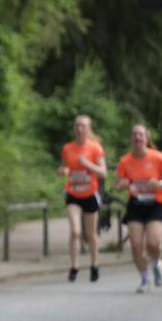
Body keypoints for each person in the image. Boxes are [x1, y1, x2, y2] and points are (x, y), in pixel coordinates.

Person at [115, 125, 162, 293]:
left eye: (141, 135)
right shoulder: (125, 161)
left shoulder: (158, 157)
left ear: (146, 139)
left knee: (153, 243)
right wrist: (122, 184)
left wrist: (160, 183)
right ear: (131, 139)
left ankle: (157, 263)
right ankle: (144, 278)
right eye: (134, 135)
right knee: (136, 245)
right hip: (135, 204)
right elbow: (117, 185)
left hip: (156, 204)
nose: (137, 137)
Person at [58, 115, 107, 282]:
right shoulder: (67, 148)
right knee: (75, 231)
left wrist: (87, 164)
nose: (80, 129)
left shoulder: (95, 148)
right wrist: (63, 171)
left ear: (88, 129)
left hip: (90, 194)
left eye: (83, 126)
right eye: (77, 126)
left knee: (90, 233)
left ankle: (94, 264)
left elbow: (103, 172)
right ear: (74, 128)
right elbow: (64, 168)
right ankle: (74, 267)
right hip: (73, 193)